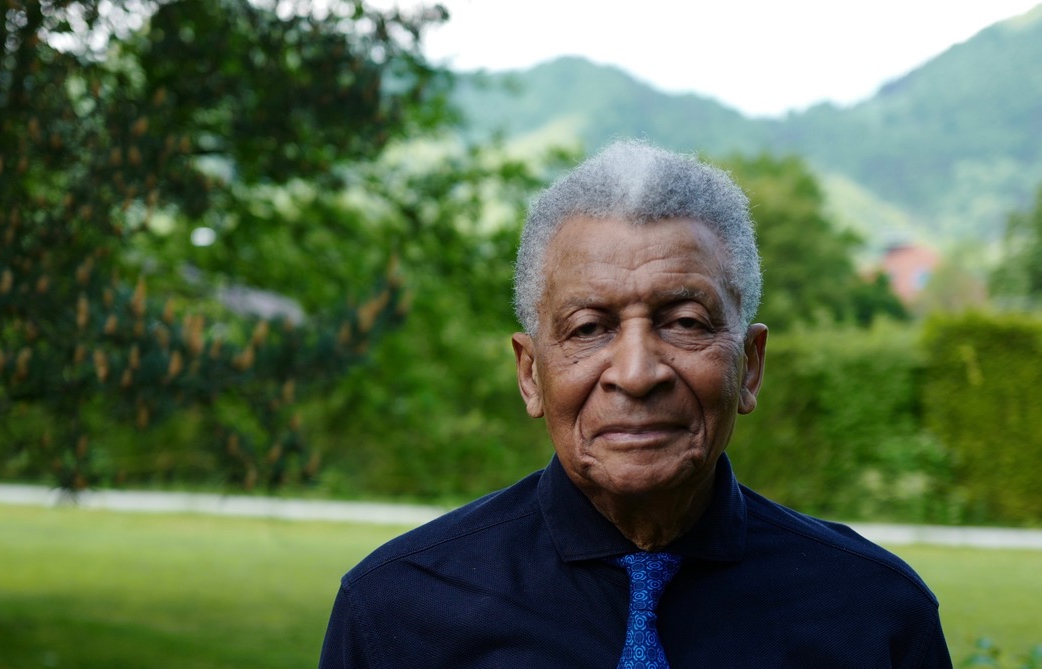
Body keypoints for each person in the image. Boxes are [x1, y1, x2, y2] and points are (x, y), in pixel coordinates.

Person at [317, 140, 953, 668]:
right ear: (530, 373)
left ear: (750, 366)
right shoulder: (396, 612)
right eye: (589, 327)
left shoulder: (875, 615)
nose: (637, 372)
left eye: (684, 321)